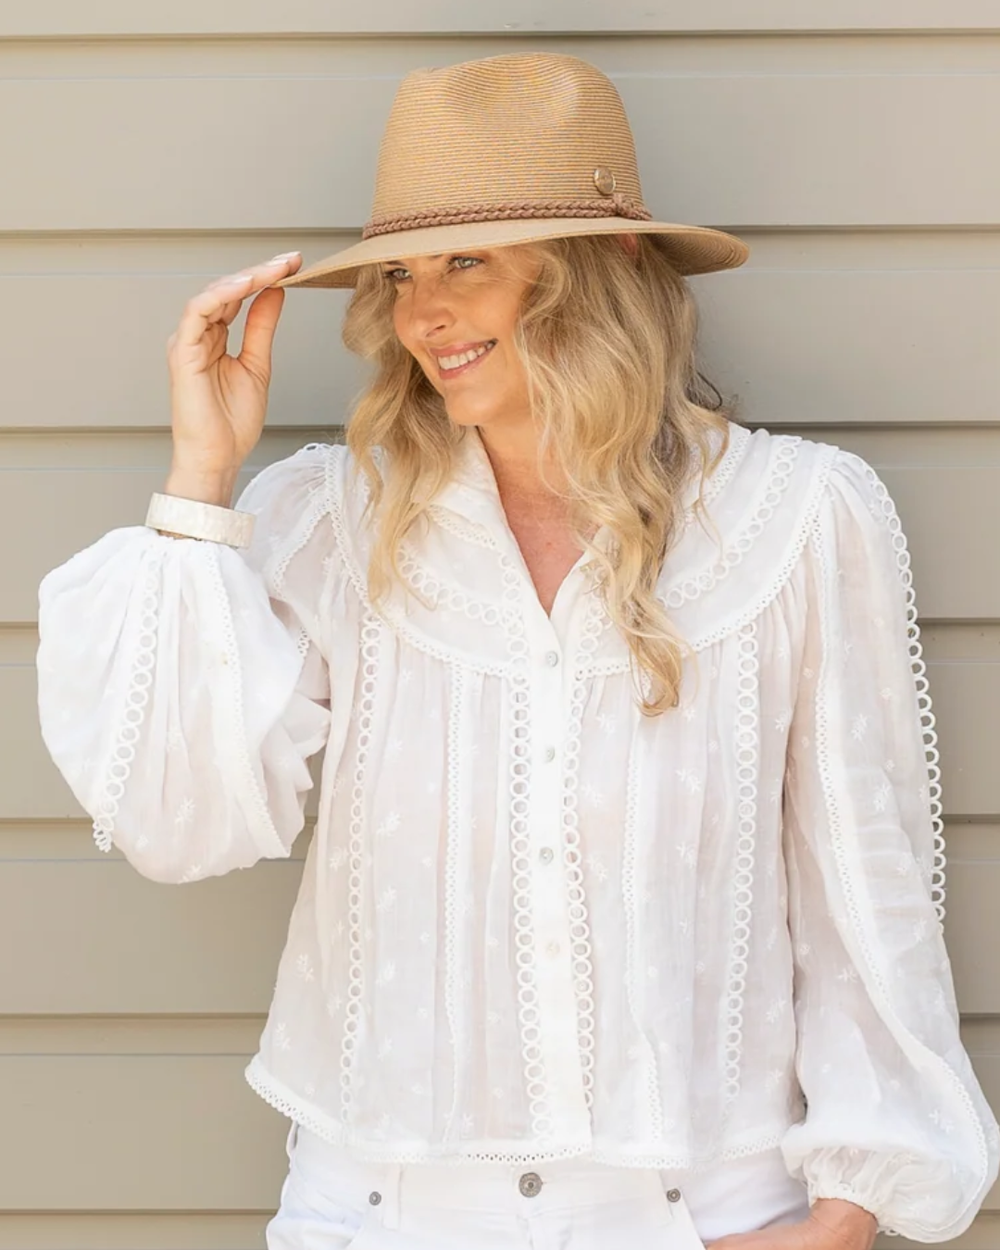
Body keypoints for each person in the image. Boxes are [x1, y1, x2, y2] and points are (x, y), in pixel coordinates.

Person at [36, 50, 998, 1250]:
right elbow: (178, 824)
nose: (418, 314)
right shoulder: (330, 519)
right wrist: (201, 476)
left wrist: (850, 1206)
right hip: (378, 1212)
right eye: (400, 274)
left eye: (467, 263)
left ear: (604, 266)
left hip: (705, 1211)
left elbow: (865, 886)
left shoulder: (797, 520)